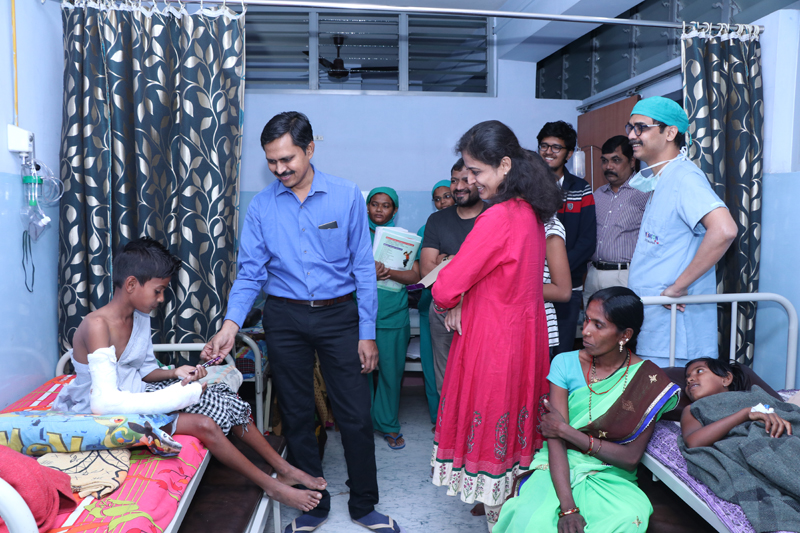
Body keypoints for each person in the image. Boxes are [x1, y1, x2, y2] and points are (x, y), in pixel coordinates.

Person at [201, 112, 401, 533]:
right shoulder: (262, 206)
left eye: (287, 159)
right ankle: (313, 502)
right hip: (285, 316)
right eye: (272, 161)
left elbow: (363, 269)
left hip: (339, 315)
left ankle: (364, 504)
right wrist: (230, 325)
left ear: (309, 149)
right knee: (295, 412)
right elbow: (250, 273)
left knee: (355, 415)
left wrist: (367, 332)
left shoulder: (346, 195)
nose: (279, 169)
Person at [52, 237, 327, 513]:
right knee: (204, 424)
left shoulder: (139, 316)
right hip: (100, 414)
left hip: (135, 396)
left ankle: (283, 468)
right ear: (132, 284)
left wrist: (176, 372)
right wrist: (177, 396)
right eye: (158, 291)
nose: (161, 299)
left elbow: (145, 372)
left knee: (224, 398)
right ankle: (272, 485)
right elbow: (104, 403)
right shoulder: (97, 325)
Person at [430, 120, 562, 531]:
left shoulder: (498, 217)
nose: (469, 180)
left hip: (493, 342)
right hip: (524, 338)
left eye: (476, 171)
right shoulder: (530, 212)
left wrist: (454, 298)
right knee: (513, 450)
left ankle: (500, 522)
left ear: (505, 165)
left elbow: (445, 287)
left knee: (490, 444)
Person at [494, 287, 681, 533]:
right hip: (558, 465)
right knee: (533, 521)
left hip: (611, 473)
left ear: (625, 335)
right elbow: (555, 441)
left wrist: (566, 431)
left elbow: (629, 459)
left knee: (628, 518)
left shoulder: (647, 380)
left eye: (598, 325)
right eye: (586, 320)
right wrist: (568, 508)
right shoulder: (565, 363)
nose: (586, 331)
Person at [626, 97, 737, 366]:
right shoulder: (663, 180)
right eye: (630, 127)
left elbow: (724, 230)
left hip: (676, 332)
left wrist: (679, 286)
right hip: (658, 326)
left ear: (670, 132)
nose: (631, 135)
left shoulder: (685, 178)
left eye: (641, 127)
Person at [680, 358, 800, 533]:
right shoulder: (694, 409)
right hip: (752, 448)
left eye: (699, 371)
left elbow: (783, 412)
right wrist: (745, 414)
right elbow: (693, 441)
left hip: (782, 438)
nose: (690, 379)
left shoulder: (754, 396)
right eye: (687, 378)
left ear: (726, 379)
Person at [420, 159, 487, 396]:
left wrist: (449, 260)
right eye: (454, 180)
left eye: (466, 180)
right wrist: (464, 264)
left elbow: (494, 270)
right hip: (442, 308)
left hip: (484, 308)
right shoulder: (437, 220)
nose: (458, 186)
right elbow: (427, 270)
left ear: (479, 180)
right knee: (447, 381)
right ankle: (447, 420)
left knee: (482, 379)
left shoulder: (493, 215)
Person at [367, 187, 420, 450]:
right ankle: (362, 423)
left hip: (392, 316)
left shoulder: (404, 240)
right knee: (360, 373)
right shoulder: (354, 236)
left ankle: (388, 425)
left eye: (385, 205)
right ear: (367, 207)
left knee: (391, 372)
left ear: (395, 210)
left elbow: (415, 276)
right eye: (374, 204)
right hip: (358, 315)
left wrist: (386, 271)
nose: (379, 209)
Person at [538, 121, 596, 355]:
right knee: (535, 350)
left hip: (569, 285)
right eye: (544, 146)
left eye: (556, 147)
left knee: (561, 352)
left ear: (569, 154)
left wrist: (556, 272)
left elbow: (587, 241)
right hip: (534, 285)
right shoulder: (529, 187)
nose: (548, 152)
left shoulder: (581, 188)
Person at [583, 136, 649, 310]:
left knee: (621, 325)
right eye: (604, 161)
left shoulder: (645, 193)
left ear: (632, 161)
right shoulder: (598, 194)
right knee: (591, 324)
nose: (608, 166)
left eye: (616, 160)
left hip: (624, 276)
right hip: (593, 275)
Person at [416, 179, 455, 427]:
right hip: (428, 303)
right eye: (437, 199)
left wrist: (447, 259)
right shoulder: (427, 228)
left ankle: (455, 418)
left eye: (447, 196)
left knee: (455, 366)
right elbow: (423, 267)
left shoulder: (470, 224)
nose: (442, 202)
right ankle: (438, 418)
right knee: (432, 367)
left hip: (459, 304)